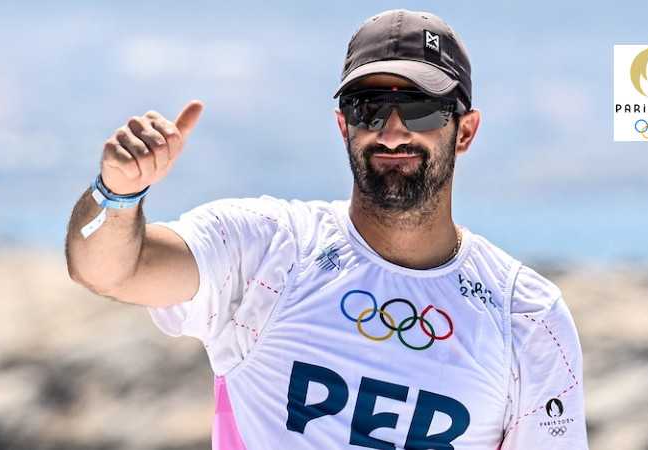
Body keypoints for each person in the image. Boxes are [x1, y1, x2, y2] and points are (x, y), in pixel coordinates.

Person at [65, 9, 589, 450]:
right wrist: (117, 193)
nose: (392, 130)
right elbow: (112, 269)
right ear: (344, 126)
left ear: (465, 131)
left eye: (422, 108)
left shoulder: (525, 315)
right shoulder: (268, 248)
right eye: (369, 107)